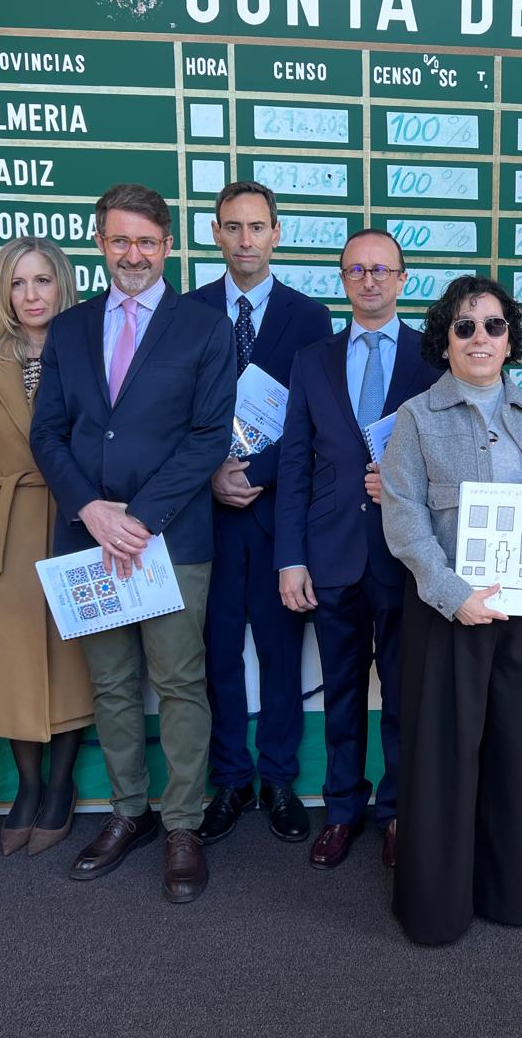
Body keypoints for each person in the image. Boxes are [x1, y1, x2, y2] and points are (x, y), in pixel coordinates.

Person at [30, 183, 233, 903]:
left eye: (147, 241)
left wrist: (138, 519)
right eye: (120, 240)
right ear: (101, 243)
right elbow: (47, 433)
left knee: (178, 683)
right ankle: (127, 814)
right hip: (88, 540)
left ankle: (181, 824)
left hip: (169, 541)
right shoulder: (71, 327)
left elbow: (209, 436)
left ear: (169, 245)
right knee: (113, 683)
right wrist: (91, 511)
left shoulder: (205, 327)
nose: (134, 254)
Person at [381, 275, 522, 944]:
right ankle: (437, 908)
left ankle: (516, 892)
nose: (480, 338)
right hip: (447, 613)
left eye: (493, 326)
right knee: (442, 761)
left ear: (511, 339)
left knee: (521, 757)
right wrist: (452, 595)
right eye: (465, 327)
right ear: (444, 340)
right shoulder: (416, 417)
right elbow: (403, 516)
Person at [276, 228, 440, 870]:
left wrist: (407, 483)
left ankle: (398, 811)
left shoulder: (434, 359)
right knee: (342, 694)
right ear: (342, 281)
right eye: (355, 271)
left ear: (403, 280)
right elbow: (293, 463)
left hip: (407, 556)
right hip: (332, 554)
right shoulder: (312, 359)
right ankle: (342, 809)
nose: (368, 281)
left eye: (381, 270)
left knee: (404, 696)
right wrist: (291, 557)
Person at [186, 181, 332, 847]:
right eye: (232, 227)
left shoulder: (309, 317)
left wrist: (256, 473)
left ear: (277, 233)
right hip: (204, 516)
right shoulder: (185, 313)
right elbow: (172, 416)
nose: (245, 240)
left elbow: (313, 421)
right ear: (215, 233)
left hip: (279, 516)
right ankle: (230, 779)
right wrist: (212, 472)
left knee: (279, 655)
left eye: (257, 227)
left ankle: (278, 779)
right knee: (216, 656)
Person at [0, 235, 94, 857]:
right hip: (3, 529)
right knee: (12, 666)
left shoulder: (91, 348)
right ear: (2, 291)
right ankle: (27, 789)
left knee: (74, 662)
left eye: (43, 280)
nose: (31, 295)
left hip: (78, 524)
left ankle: (60, 790)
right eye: (17, 282)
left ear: (63, 284)